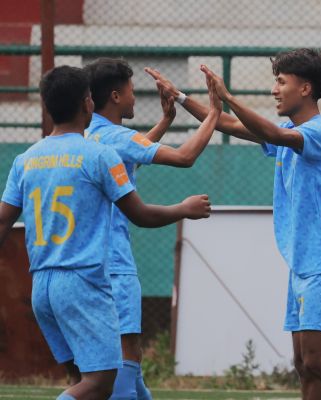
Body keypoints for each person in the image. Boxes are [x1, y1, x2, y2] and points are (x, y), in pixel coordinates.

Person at [147, 48, 321, 400]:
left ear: (306, 89)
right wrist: (180, 96)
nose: (274, 90)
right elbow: (224, 123)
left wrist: (228, 97)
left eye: (281, 82)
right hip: (301, 263)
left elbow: (274, 134)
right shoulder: (285, 129)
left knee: (317, 359)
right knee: (303, 364)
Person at [0, 65, 211, 400]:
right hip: (83, 281)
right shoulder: (99, 155)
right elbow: (140, 213)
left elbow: (2, 222)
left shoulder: (25, 160)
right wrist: (183, 209)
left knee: (84, 381)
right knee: (103, 381)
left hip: (41, 285)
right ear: (88, 103)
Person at [83, 58, 221, 400]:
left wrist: (165, 121)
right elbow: (184, 156)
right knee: (127, 357)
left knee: (123, 365)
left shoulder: (93, 133)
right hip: (114, 263)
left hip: (90, 262)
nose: (134, 98)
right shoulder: (118, 137)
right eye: (131, 91)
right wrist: (215, 113)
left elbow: (133, 150)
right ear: (115, 96)